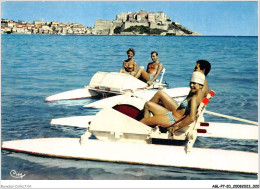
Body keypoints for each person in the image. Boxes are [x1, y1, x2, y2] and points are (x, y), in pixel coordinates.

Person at [140, 71, 206, 134]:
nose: (191, 85)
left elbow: (192, 118)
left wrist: (177, 127)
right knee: (147, 104)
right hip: (171, 114)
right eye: (191, 82)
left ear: (200, 86)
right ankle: (147, 125)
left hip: (172, 120)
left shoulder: (194, 99)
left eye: (194, 83)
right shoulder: (196, 93)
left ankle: (143, 126)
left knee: (143, 121)